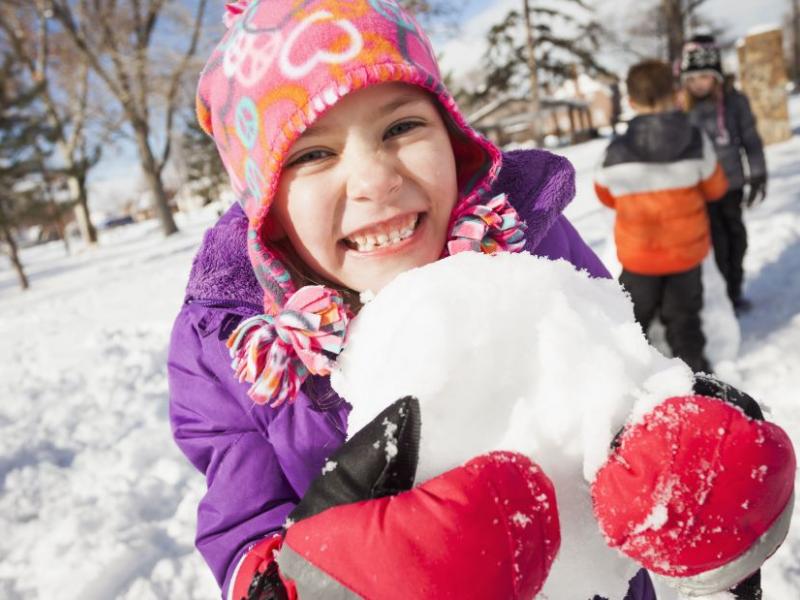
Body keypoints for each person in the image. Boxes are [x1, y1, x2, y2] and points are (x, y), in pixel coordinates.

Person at [169, 3, 794, 599]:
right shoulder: (232, 352)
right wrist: (316, 584)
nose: (376, 179)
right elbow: (242, 525)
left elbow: (624, 380)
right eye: (312, 153)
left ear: (453, 137)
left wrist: (705, 479)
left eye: (402, 126)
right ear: (265, 205)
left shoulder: (525, 243)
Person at [594, 59, 728, 374]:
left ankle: (632, 378)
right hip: (686, 255)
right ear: (675, 94)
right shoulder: (695, 141)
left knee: (632, 321)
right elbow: (716, 187)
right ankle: (694, 380)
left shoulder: (614, 152)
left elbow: (605, 194)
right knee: (685, 322)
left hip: (639, 258)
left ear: (630, 101)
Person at [680, 33, 767, 314]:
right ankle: (724, 296)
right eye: (691, 79)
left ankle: (735, 288)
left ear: (716, 75)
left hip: (732, 184)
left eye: (703, 77)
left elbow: (751, 139)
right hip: (700, 190)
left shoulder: (735, 102)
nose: (697, 84)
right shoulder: (683, 109)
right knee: (716, 243)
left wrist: (758, 174)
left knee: (736, 239)